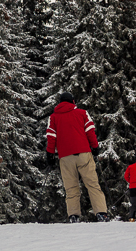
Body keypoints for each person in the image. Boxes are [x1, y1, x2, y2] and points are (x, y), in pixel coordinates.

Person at [46, 92, 109, 222]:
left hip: (65, 157)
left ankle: (73, 215)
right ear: (73, 101)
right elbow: (90, 131)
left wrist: (50, 154)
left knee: (71, 188)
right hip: (83, 153)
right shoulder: (82, 113)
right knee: (92, 184)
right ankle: (101, 213)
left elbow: (51, 137)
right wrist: (95, 147)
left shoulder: (53, 117)